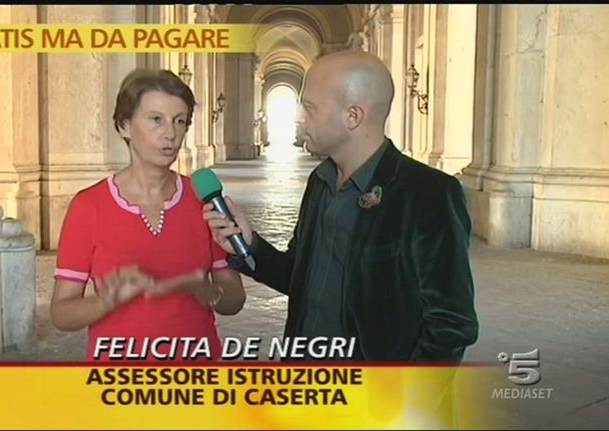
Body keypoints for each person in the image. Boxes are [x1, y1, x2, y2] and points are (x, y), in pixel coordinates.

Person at [204, 50, 478, 362]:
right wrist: (249, 245)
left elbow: (452, 324)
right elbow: (299, 278)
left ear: (353, 116)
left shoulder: (427, 193)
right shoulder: (320, 181)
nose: (298, 117)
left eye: (309, 107)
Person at [51, 69, 245, 362]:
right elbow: (61, 313)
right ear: (124, 126)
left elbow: (234, 302)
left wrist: (210, 292)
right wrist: (105, 302)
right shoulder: (88, 206)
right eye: (156, 119)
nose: (171, 133)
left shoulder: (203, 200)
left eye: (180, 121)